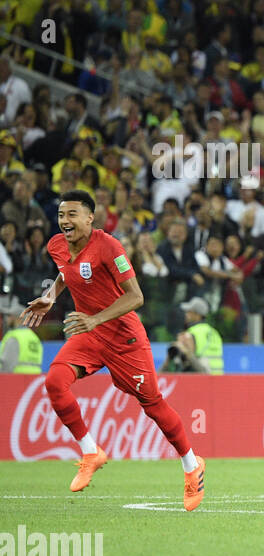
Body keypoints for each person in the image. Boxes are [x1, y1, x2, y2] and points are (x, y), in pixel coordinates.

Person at [19, 191, 206, 510]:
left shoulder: (109, 247)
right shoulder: (56, 245)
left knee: (153, 404)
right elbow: (67, 272)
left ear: (90, 218)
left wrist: (96, 319)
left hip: (123, 337)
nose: (65, 221)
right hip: (88, 335)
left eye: (73, 214)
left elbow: (136, 297)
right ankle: (91, 451)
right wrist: (51, 295)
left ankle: (192, 466)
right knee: (54, 382)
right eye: (62, 215)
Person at [177, 297, 224, 374]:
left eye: (189, 312)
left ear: (197, 315)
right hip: (218, 379)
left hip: (201, 380)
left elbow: (187, 360)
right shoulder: (214, 332)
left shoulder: (191, 333)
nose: (186, 315)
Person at [0, 301, 42, 373]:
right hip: (34, 379)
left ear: (17, 318)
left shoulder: (15, 337)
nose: (6, 319)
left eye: (9, 316)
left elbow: (7, 364)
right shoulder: (34, 337)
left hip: (16, 379)